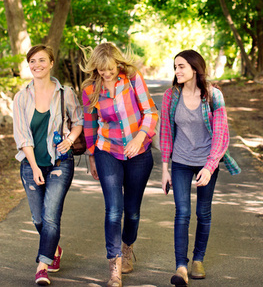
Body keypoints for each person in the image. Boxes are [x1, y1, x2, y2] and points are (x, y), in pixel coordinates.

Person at [160, 49, 241, 286]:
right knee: (182, 213)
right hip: (181, 162)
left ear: (195, 68)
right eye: (175, 67)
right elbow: (165, 133)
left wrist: (210, 165)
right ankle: (181, 266)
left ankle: (198, 260)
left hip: (208, 160)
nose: (177, 71)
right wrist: (165, 169)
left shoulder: (213, 96)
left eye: (181, 66)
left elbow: (221, 134)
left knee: (203, 212)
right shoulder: (170, 96)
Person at [81, 42, 158, 287]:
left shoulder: (133, 79)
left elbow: (151, 112)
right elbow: (90, 124)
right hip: (107, 152)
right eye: (102, 69)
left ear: (118, 63)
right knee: (113, 209)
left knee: (132, 210)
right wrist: (92, 156)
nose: (106, 73)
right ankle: (114, 264)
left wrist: (139, 138)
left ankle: (127, 247)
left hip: (139, 153)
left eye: (111, 68)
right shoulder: (90, 89)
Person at [13, 44, 84, 286]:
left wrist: (71, 140)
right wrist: (33, 167)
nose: (37, 65)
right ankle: (54, 248)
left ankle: (42, 266)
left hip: (60, 162)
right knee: (39, 218)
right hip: (31, 164)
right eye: (32, 61)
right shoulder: (21, 97)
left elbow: (78, 121)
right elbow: (22, 136)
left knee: (51, 216)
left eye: (42, 60)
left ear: (51, 63)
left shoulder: (65, 93)